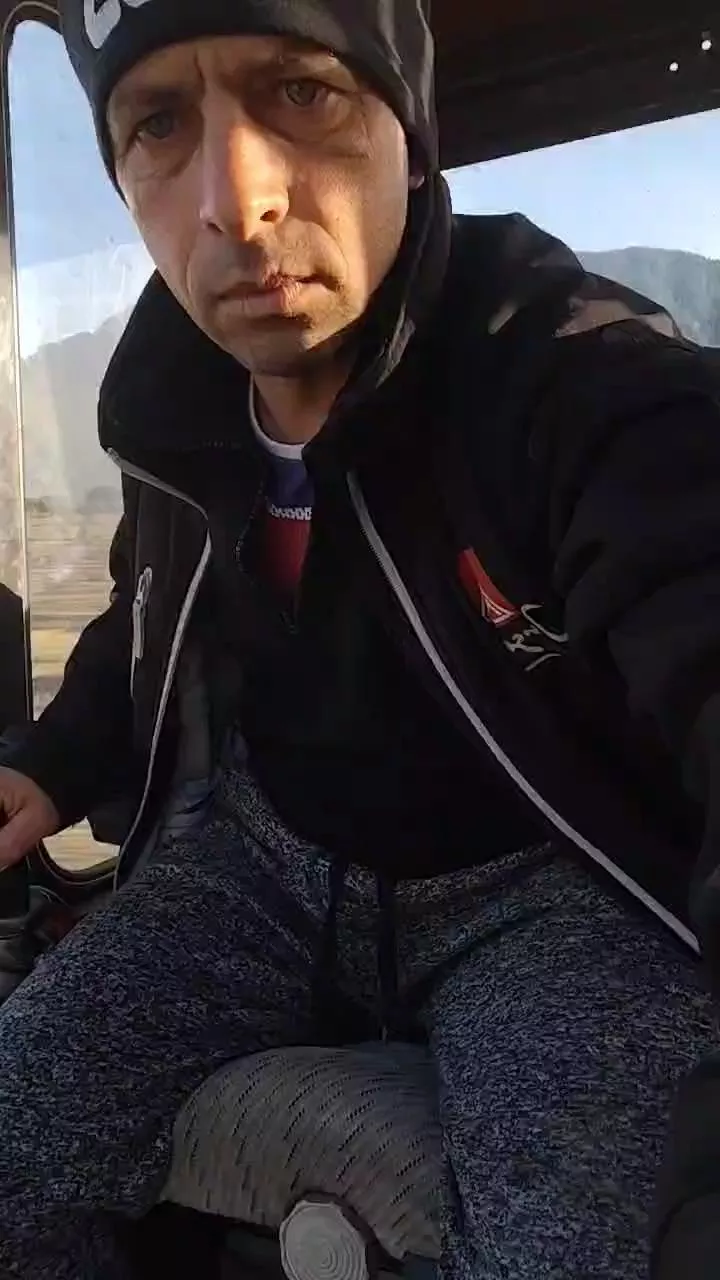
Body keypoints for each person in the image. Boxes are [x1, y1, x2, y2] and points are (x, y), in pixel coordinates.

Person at [0, 0, 719, 1275]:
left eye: (301, 93)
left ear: (410, 133)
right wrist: (49, 766)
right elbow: (147, 611)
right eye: (159, 124)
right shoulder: (171, 406)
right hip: (266, 858)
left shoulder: (571, 378)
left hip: (541, 883)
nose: (238, 201)